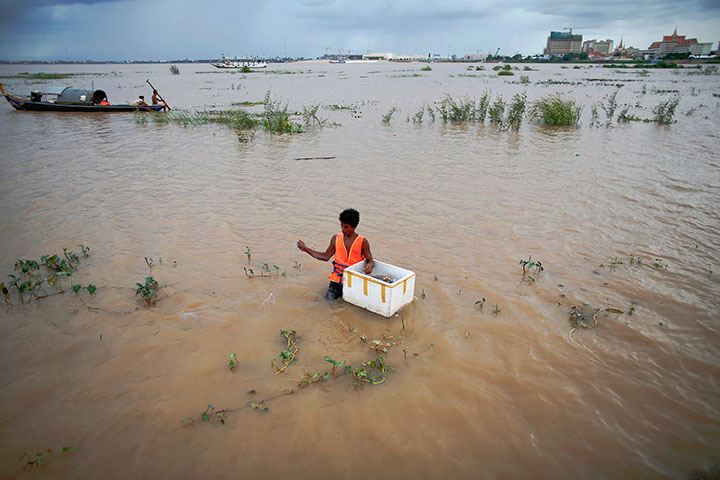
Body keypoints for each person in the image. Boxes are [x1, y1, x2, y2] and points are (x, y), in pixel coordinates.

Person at [297, 208, 374, 300]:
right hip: (336, 280)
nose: (342, 229)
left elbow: (370, 261)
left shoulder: (363, 242)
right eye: (341, 226)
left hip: (354, 281)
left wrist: (369, 266)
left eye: (346, 227)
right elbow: (325, 256)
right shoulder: (336, 239)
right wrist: (305, 249)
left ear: (355, 227)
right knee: (329, 303)